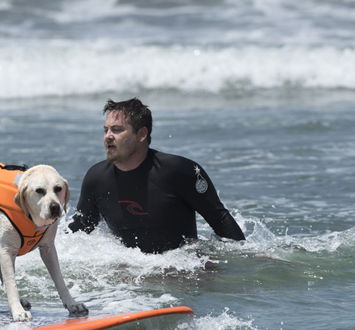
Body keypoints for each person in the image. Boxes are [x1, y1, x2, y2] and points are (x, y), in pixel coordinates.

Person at [69, 98, 245, 253]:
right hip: (127, 277)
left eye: (116, 130)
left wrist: (247, 266)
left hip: (181, 271)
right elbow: (75, 237)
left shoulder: (179, 171)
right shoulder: (97, 178)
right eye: (105, 130)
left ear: (142, 134)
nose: (107, 137)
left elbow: (221, 221)